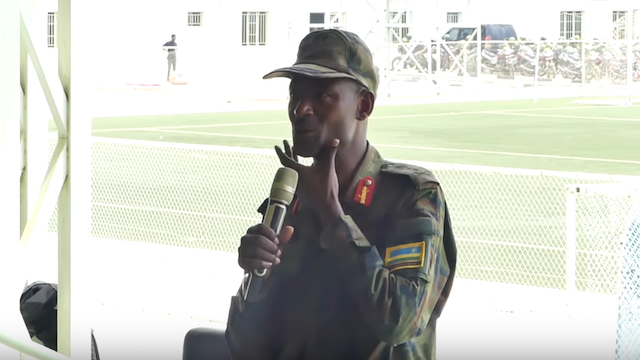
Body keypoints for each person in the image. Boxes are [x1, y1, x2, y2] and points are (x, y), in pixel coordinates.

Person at [225, 29, 458, 360]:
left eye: (323, 96)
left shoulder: (411, 196)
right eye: (295, 94)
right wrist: (257, 283)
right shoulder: (292, 203)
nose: (300, 108)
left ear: (363, 105)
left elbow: (399, 321)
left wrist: (333, 215)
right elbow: (244, 349)